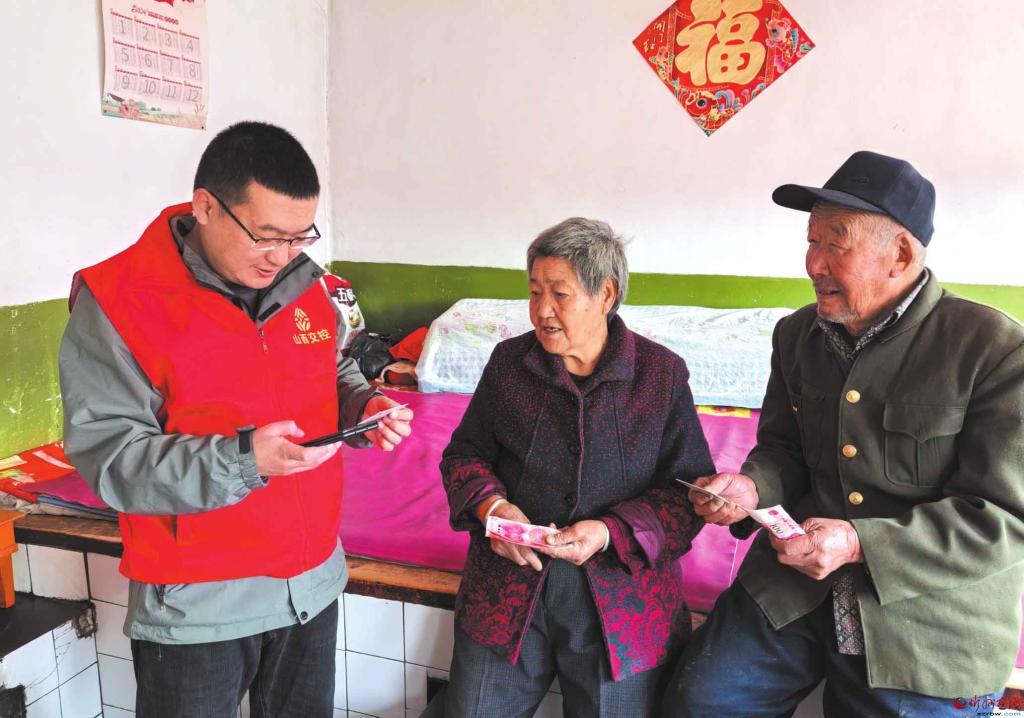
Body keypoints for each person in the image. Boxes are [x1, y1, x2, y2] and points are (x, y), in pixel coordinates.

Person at [59, 121, 413, 717]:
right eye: (266, 236)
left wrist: (361, 405)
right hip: (198, 602)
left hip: (311, 583)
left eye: (299, 236)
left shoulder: (305, 281)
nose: (282, 256)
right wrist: (244, 461)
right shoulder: (120, 300)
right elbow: (112, 458)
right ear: (205, 207)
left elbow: (331, 367)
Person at [663, 151, 1024, 717]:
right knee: (700, 702)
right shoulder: (796, 335)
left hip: (925, 618)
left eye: (836, 244)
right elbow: (783, 449)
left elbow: (1002, 519)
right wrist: (751, 488)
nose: (813, 264)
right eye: (811, 242)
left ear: (900, 254)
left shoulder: (994, 350)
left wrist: (858, 543)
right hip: (794, 588)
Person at [434, 218, 715, 717]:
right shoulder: (509, 363)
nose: (542, 310)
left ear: (605, 294)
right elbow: (464, 454)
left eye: (559, 294)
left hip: (622, 594)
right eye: (534, 292)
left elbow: (685, 494)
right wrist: (493, 510)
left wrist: (607, 533)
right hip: (508, 584)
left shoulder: (660, 375)